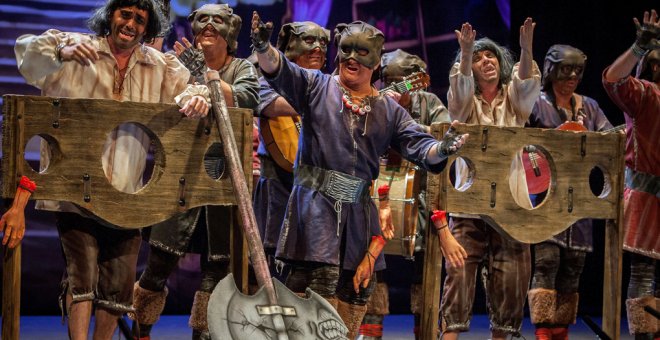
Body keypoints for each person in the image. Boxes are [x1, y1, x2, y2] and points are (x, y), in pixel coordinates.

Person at [251, 12, 468, 339]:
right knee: (313, 296)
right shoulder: (316, 86)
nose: (352, 57)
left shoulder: (389, 110)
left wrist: (444, 148)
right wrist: (265, 48)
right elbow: (282, 72)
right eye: (347, 49)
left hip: (357, 219)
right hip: (313, 212)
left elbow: (422, 149)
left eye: (362, 52)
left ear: (377, 61)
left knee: (354, 299)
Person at [13, 0, 209, 338]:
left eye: (140, 19)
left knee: (118, 288)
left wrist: (197, 95)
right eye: (125, 14)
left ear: (147, 28)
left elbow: (191, 87)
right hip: (77, 190)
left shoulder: (157, 65)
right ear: (111, 16)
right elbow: (27, 54)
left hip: (127, 194)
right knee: (83, 275)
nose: (131, 24)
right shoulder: (79, 48)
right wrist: (61, 48)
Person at [130, 3, 259, 340]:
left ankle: (205, 334)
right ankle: (141, 329)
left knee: (217, 269)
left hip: (222, 182)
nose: (210, 26)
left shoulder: (242, 67)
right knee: (160, 262)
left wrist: (207, 76)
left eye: (218, 20)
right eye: (203, 19)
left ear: (231, 31)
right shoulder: (177, 65)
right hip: (181, 177)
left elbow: (247, 98)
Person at [440, 19, 540, 340]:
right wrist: (466, 53)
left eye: (491, 56)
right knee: (459, 273)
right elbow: (459, 95)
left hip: (512, 205)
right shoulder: (465, 104)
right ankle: (450, 336)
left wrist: (525, 49)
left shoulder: (514, 100)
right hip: (469, 205)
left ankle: (501, 336)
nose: (487, 61)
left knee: (511, 279)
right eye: (480, 58)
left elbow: (525, 82)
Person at [358, 49, 466, 340]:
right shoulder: (372, 99)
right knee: (372, 267)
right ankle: (369, 332)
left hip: (420, 198)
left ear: (414, 82)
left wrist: (407, 127)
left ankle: (426, 330)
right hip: (379, 194)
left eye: (400, 81)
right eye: (388, 80)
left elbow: (443, 138)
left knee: (424, 276)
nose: (393, 88)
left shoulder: (429, 102)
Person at [526, 44, 613, 340]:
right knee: (546, 263)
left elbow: (608, 137)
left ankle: (560, 331)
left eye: (578, 70)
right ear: (551, 71)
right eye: (566, 69)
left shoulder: (588, 106)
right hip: (546, 199)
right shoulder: (536, 104)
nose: (572, 76)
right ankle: (543, 332)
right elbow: (520, 142)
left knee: (573, 268)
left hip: (580, 201)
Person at [253, 21, 330, 284]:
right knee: (272, 259)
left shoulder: (329, 86)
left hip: (314, 186)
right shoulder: (264, 80)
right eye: (310, 42)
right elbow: (272, 106)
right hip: (278, 181)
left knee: (307, 263)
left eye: (322, 43)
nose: (318, 48)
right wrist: (327, 103)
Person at [602, 9, 659, 340]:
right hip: (646, 200)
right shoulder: (647, 95)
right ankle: (642, 336)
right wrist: (638, 48)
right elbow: (613, 80)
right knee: (644, 271)